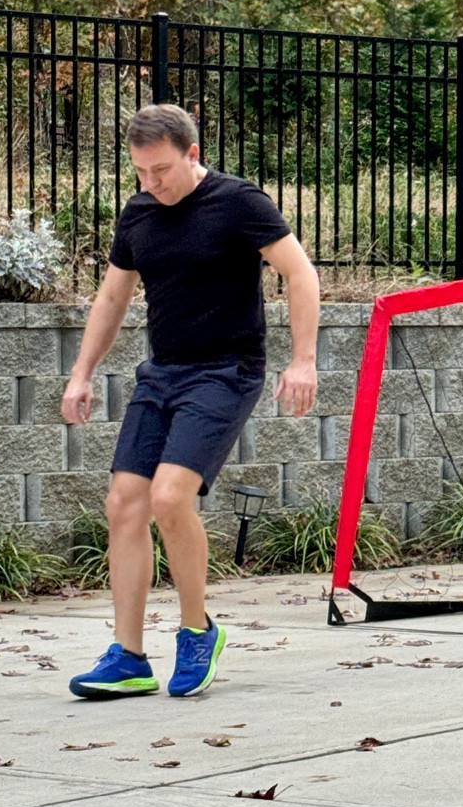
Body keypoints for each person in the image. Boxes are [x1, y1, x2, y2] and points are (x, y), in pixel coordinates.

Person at [61, 103, 320, 698]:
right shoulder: (139, 213)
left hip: (226, 371)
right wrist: (81, 373)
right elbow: (111, 299)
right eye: (140, 173)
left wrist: (302, 360)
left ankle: (197, 630)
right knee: (124, 502)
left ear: (193, 155)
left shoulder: (238, 202)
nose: (151, 184)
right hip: (164, 373)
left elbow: (300, 275)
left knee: (169, 495)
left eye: (161, 171)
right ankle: (127, 657)